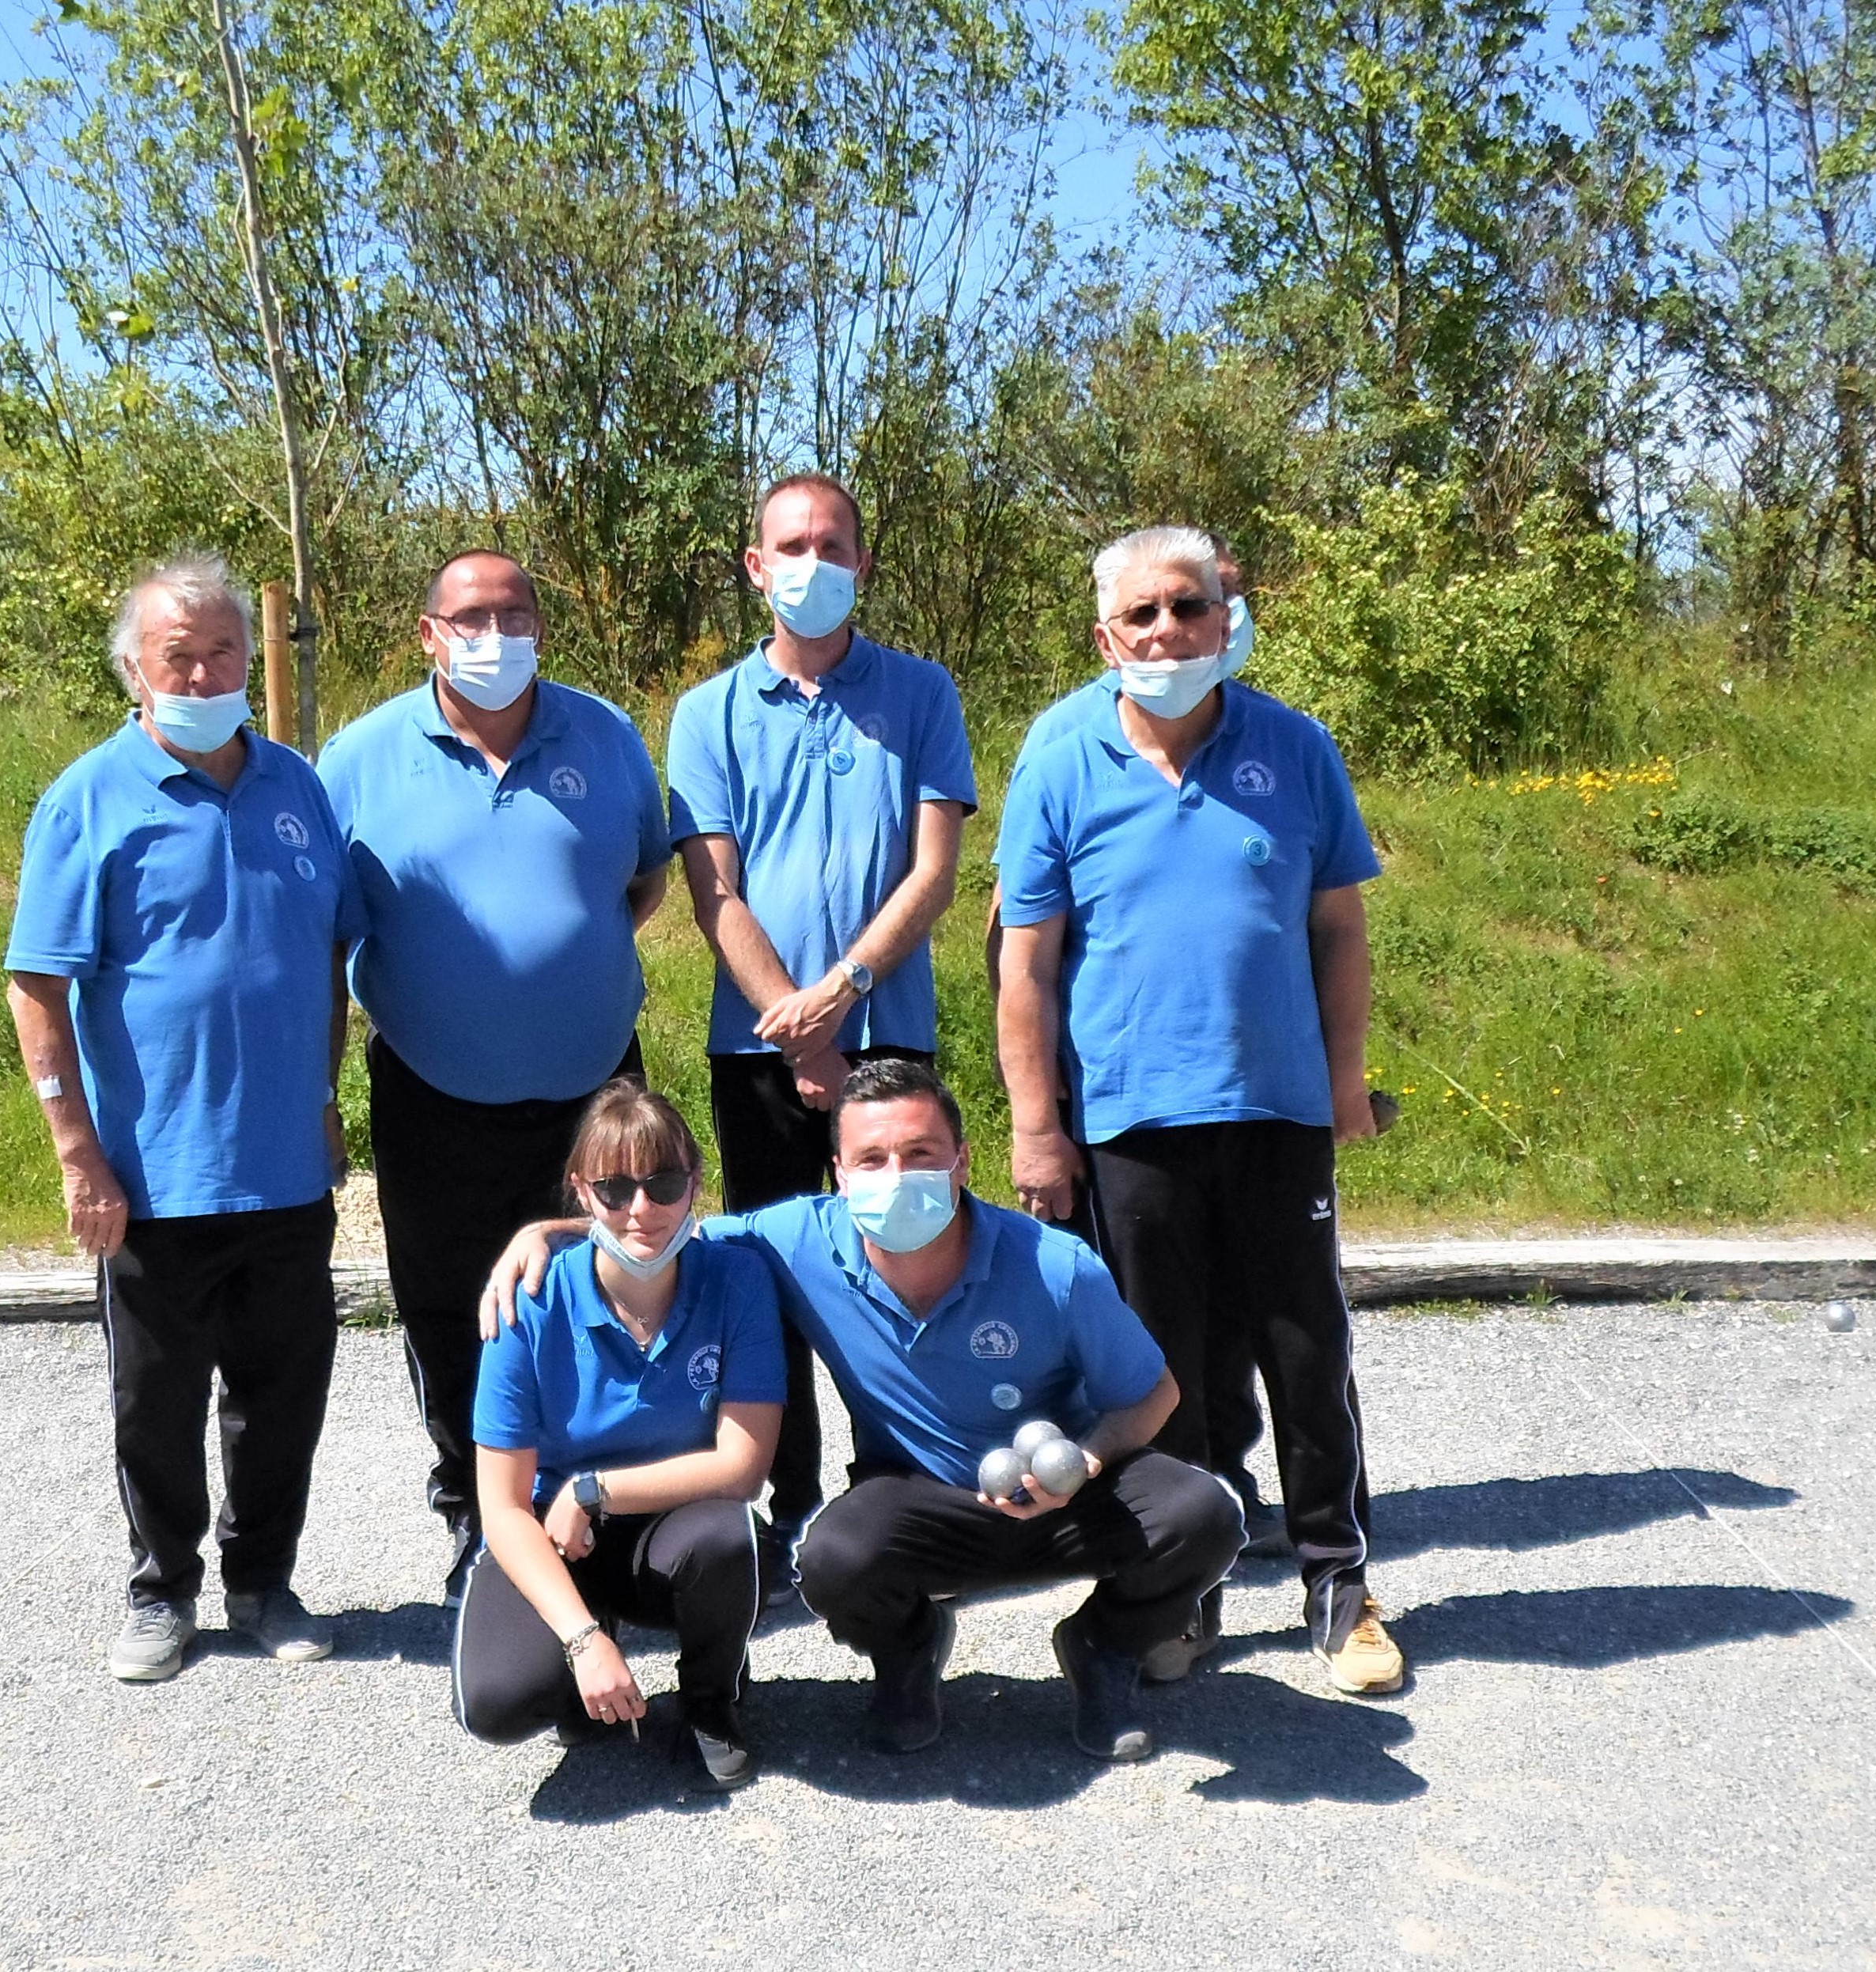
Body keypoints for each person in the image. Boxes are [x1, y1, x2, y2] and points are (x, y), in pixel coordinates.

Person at [485, 1059, 1243, 1762]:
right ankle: (908, 1651)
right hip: (923, 1501)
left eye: (919, 1153)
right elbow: (649, 1228)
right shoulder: (798, 1240)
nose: (897, 1175)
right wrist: (545, 1231)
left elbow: (1154, 1393)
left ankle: (1104, 1648)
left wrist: (1086, 1459)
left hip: (1067, 1489)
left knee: (1203, 1511)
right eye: (872, 1159)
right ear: (839, 1174)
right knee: (831, 1557)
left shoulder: (1053, 1263)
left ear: (961, 1161)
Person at [993, 524, 1403, 1696]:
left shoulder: (1294, 747)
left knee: (1302, 1347)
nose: (1167, 633)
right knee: (1155, 1374)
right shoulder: (1058, 755)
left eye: (1187, 608)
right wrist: (1036, 1124)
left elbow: (1336, 928)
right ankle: (1181, 1590)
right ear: (1104, 635)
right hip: (1127, 1118)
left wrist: (1338, 1077)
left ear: (1225, 618)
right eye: (1142, 616)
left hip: (1274, 1109)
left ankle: (1338, 1583)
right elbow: (1025, 962)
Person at [4, 551, 360, 1682]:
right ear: (133, 668)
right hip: (151, 1177)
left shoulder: (299, 788)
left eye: (222, 651)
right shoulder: (87, 798)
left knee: (282, 1397)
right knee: (154, 1405)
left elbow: (324, 961)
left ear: (250, 659)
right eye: (178, 654)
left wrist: (321, 1100)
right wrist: (78, 1154)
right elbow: (37, 986)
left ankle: (264, 1581)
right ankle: (161, 1591)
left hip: (287, 1172)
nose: (203, 670)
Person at [319, 550, 675, 1603]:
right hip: (433, 1093)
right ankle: (481, 1518)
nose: (491, 632)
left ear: (540, 627)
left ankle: (604, 1510)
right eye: (468, 616)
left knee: (611, 1293)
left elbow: (641, 881)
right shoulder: (359, 756)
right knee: (451, 1308)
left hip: (593, 1090)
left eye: (512, 611)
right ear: (426, 633)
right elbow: (327, 931)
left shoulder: (604, 737)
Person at [666, 471, 976, 1593]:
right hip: (756, 1050)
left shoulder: (920, 692)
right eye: (788, 544)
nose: (810, 561)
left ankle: (900, 1494)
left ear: (862, 561)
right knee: (766, 1279)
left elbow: (933, 871)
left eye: (830, 542)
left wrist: (840, 994)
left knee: (904, 1266)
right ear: (754, 566)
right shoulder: (705, 713)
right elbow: (714, 893)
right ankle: (785, 1503)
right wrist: (797, 1039)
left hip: (887, 1043)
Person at [454, 1082, 784, 1790]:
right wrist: (581, 1640)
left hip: (671, 1526)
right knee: (498, 1703)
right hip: (554, 1534)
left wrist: (594, 1490)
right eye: (613, 1187)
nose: (641, 1209)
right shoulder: (529, 1297)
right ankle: (587, 1652)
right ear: (581, 1191)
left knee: (727, 1538)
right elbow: (503, 1507)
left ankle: (710, 1699)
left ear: (695, 1182)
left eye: (664, 1183)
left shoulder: (737, 1278)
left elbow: (744, 1466)